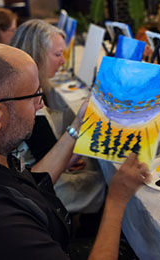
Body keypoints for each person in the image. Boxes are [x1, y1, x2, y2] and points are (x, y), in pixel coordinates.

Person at [0, 42, 150, 259]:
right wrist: (116, 199)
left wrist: (77, 127)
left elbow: (34, 182)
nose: (40, 105)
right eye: (33, 96)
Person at [11, 19, 106, 215]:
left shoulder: (25, 88)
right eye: (57, 54)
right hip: (40, 191)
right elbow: (46, 165)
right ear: (36, 55)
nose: (63, 61)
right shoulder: (29, 103)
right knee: (106, 181)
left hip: (29, 178)